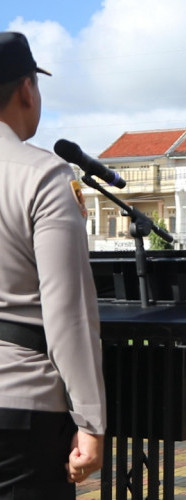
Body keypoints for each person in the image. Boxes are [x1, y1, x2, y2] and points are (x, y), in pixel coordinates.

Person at [0, 32, 106, 498]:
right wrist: (91, 421)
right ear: (26, 88)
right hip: (19, 405)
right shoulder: (43, 175)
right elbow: (68, 314)